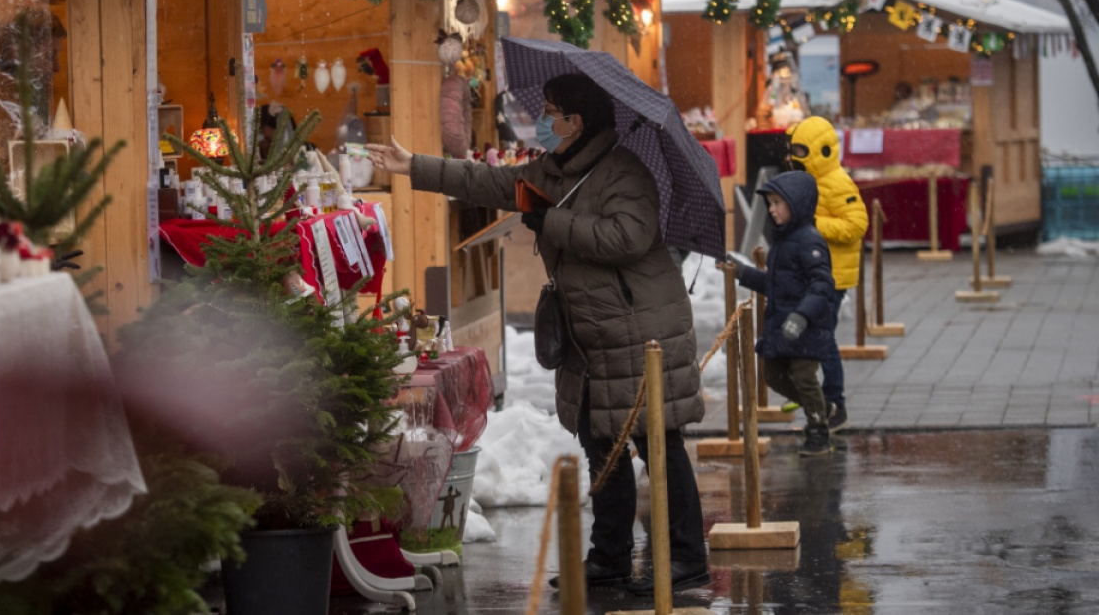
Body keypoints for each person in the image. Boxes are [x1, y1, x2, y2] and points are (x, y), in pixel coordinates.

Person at [367, 74, 710, 594]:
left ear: (576, 121)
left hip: (640, 330)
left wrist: (552, 221)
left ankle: (686, 558)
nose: (543, 121)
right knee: (601, 445)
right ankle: (610, 558)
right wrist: (414, 165)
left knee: (658, 443)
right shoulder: (553, 170)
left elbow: (628, 236)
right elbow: (490, 183)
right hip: (591, 335)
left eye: (552, 112)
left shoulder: (623, 171)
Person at [735, 171, 837, 456]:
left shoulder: (809, 241)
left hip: (806, 327)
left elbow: (822, 284)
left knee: (803, 376)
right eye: (770, 203)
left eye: (778, 202)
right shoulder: (782, 240)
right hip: (782, 324)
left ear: (797, 204)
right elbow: (775, 284)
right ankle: (821, 406)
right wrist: (743, 273)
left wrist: (801, 316)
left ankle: (819, 432)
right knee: (773, 375)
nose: (772, 209)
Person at [787, 116, 867, 432]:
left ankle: (834, 403)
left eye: (800, 152)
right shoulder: (811, 181)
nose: (794, 158)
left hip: (832, 277)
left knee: (822, 339)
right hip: (817, 274)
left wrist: (815, 224)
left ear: (820, 151)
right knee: (818, 338)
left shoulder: (837, 183)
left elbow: (857, 224)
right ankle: (821, 403)